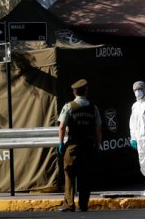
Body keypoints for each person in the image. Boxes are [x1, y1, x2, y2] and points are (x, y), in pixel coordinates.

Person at [57, 79, 102, 212]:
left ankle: (69, 204)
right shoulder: (93, 108)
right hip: (88, 146)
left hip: (73, 146)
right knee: (85, 176)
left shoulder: (69, 106)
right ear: (86, 91)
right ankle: (83, 204)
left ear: (74, 92)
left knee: (69, 174)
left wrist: (60, 143)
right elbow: (98, 130)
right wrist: (98, 146)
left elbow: (61, 127)